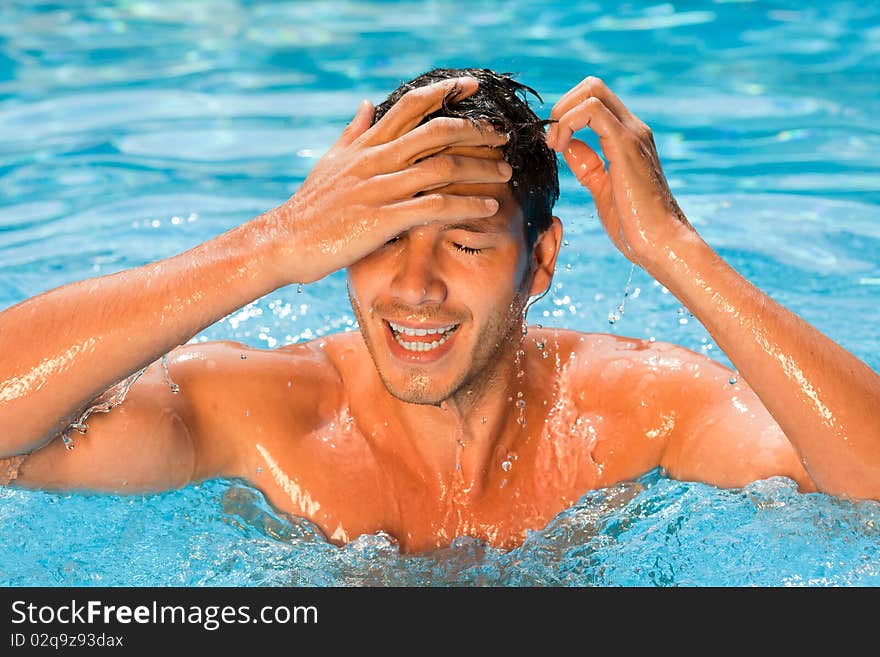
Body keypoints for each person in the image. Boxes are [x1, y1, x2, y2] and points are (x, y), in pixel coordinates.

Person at [1, 68, 878, 553]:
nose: (414, 288)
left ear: (539, 264)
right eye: (380, 238)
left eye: (463, 245)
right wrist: (271, 244)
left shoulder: (633, 410)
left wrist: (674, 251)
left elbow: (869, 488)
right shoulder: (262, 415)